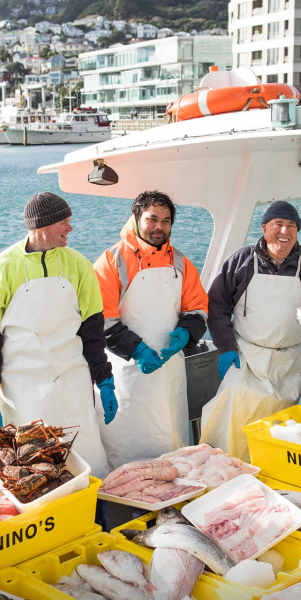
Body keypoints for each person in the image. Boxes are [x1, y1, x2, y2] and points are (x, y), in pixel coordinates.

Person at [200, 200, 301, 461]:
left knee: (279, 425)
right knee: (231, 410)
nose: (285, 232)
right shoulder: (241, 261)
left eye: (291, 226)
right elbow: (216, 305)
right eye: (278, 224)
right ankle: (224, 466)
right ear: (264, 228)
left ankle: (268, 470)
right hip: (247, 356)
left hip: (291, 360)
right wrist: (226, 347)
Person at [0, 191, 117, 478]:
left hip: (73, 380)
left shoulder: (79, 265)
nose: (70, 228)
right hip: (22, 388)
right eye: (63, 222)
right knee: (32, 469)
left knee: (87, 460)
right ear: (41, 225)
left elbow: (92, 331)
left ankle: (94, 501)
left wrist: (104, 378)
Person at [94, 190, 208, 469]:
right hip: (126, 374)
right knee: (126, 459)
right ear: (136, 218)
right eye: (152, 219)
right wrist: (137, 350)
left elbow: (198, 308)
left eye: (166, 221)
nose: (159, 227)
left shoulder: (180, 262)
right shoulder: (112, 260)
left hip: (169, 373)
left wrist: (186, 333)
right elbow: (101, 319)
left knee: (173, 454)